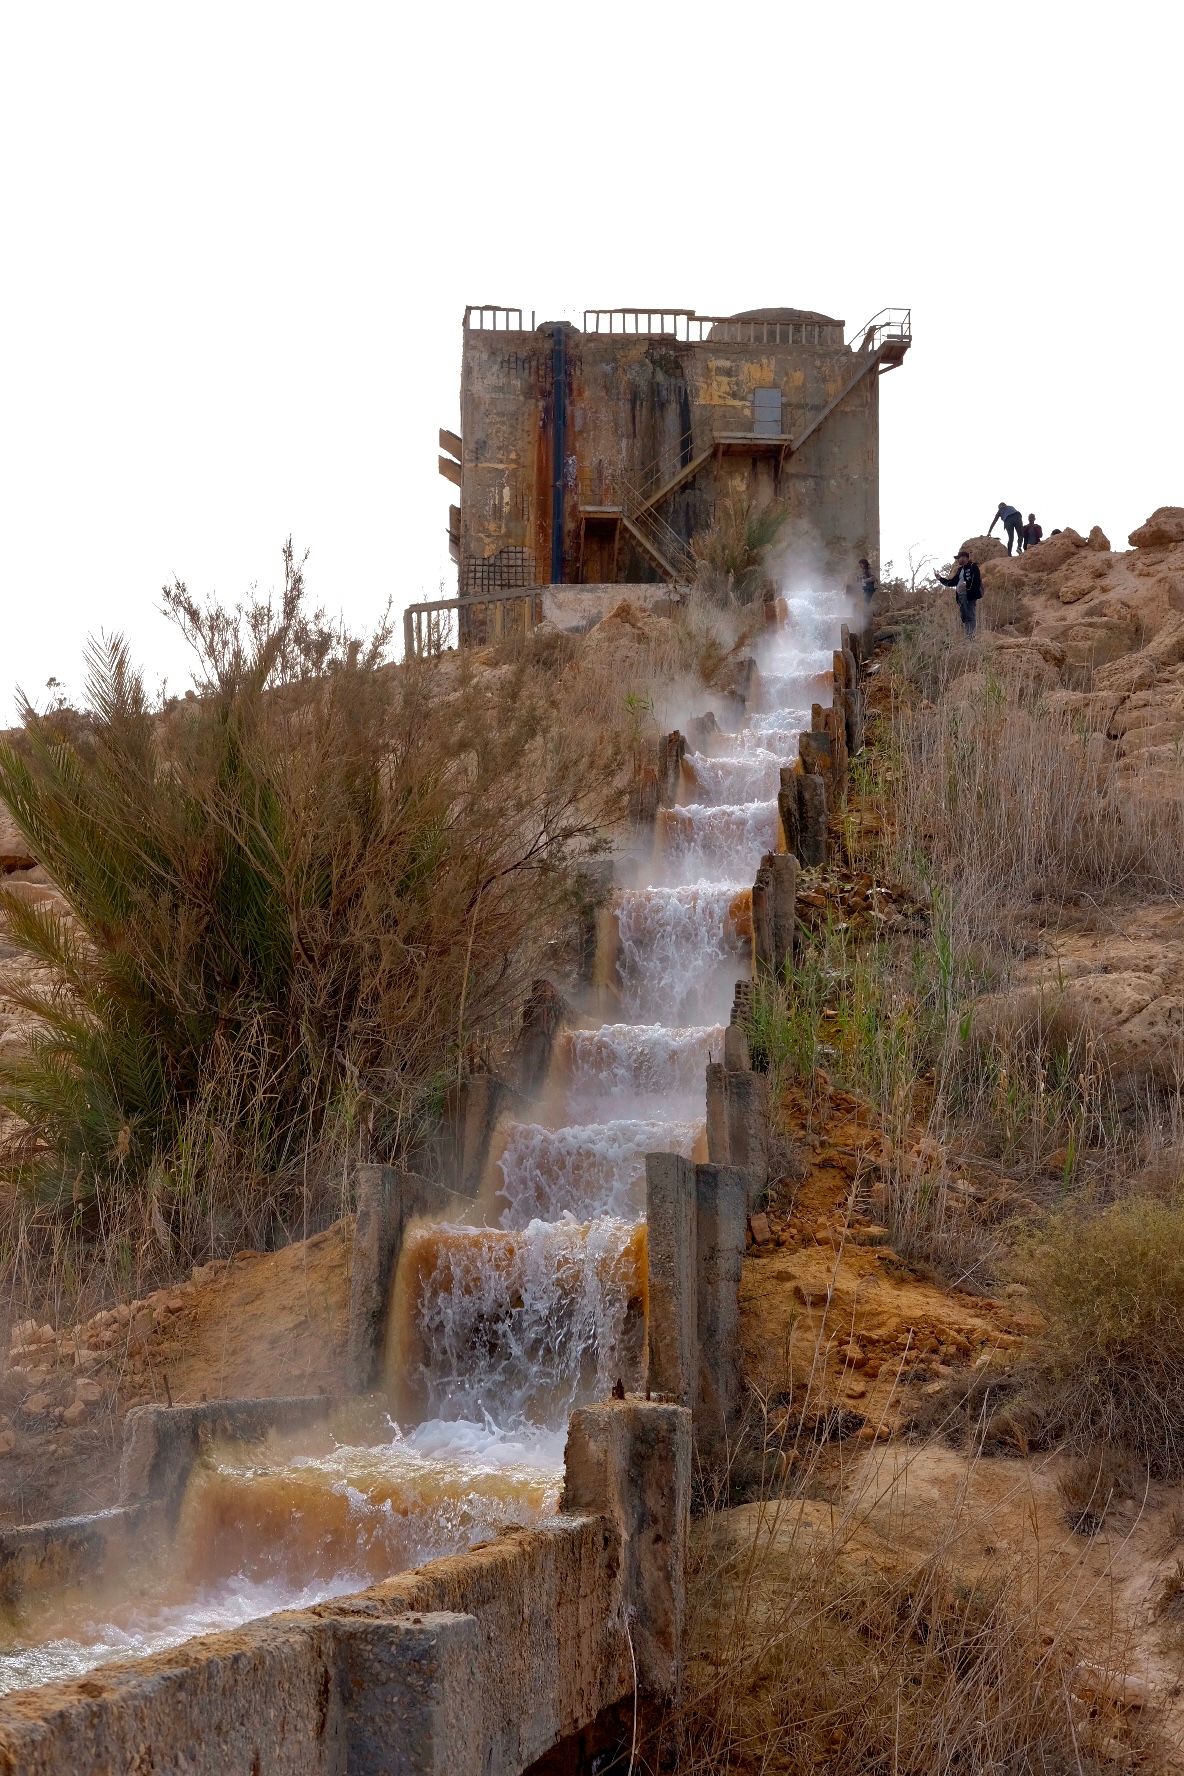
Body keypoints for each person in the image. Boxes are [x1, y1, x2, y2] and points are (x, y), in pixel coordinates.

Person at [934, 550, 984, 635]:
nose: (958, 560)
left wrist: (967, 586)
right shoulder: (960, 570)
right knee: (965, 616)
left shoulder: (973, 566)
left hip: (970, 595)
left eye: (959, 558)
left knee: (970, 615)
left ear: (964, 558)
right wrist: (940, 578)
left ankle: (970, 637)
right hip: (961, 596)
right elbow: (951, 582)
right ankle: (968, 635)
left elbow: (976, 580)